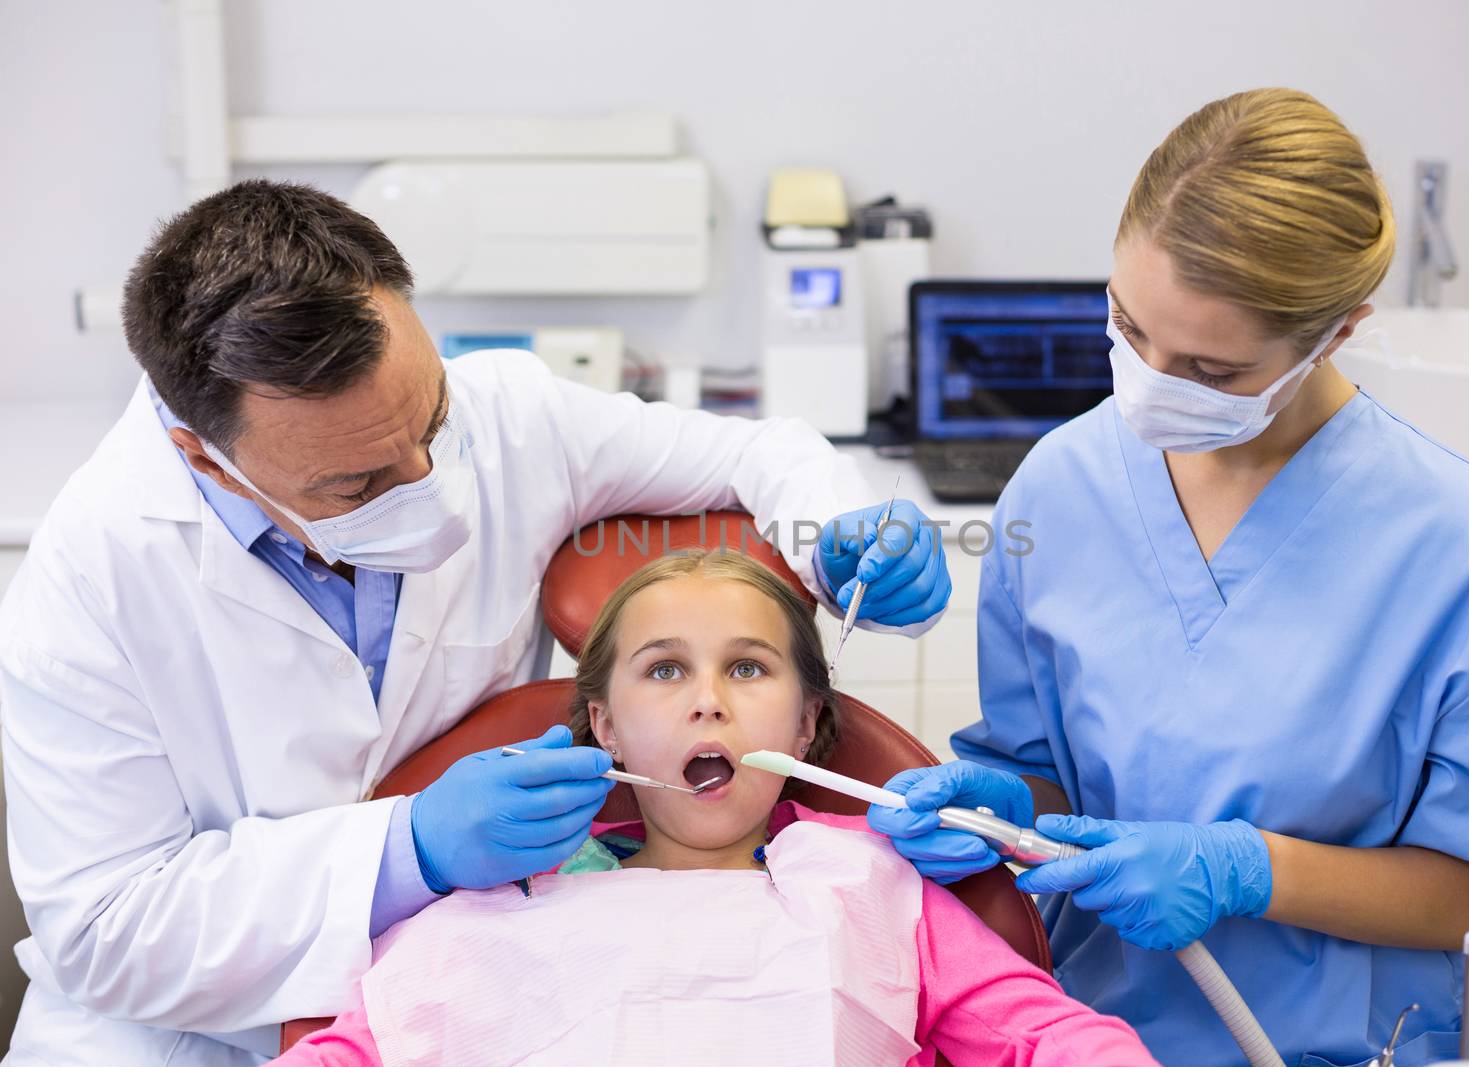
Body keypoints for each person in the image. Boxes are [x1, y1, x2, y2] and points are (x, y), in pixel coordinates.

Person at [0, 180, 951, 1066]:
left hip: (470, 996)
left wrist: (838, 536)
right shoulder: (90, 577)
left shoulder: (510, 417)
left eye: (431, 420)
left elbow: (757, 449)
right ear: (204, 459)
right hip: (188, 1034)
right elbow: (103, 929)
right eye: (357, 483)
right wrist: (406, 851)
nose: (431, 488)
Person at [868, 88, 1469, 1067]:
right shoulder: (1061, 483)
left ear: (1336, 333)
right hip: (1087, 1033)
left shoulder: (1456, 543)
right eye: (1126, 329)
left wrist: (1250, 871)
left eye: (1211, 369)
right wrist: (993, 808)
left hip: (1343, 1045)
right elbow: (1044, 774)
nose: (1152, 384)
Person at [268, 550, 1160, 1067]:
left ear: (806, 723)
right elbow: (353, 1050)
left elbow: (1045, 1037)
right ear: (604, 728)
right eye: (665, 669)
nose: (708, 701)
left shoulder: (872, 880)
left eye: (747, 667)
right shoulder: (500, 892)